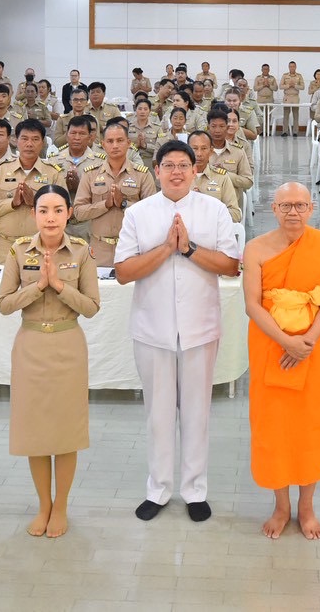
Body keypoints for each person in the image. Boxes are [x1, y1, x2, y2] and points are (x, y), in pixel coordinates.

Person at [115, 139, 241, 523]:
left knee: (197, 412)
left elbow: (231, 265)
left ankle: (194, 490)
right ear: (156, 170)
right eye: (167, 165)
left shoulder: (214, 209)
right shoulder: (139, 213)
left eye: (183, 165)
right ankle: (158, 488)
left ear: (195, 169)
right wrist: (166, 249)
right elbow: (123, 272)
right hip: (152, 329)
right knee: (158, 413)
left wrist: (188, 250)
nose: (175, 172)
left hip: (200, 328)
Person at [243, 182, 320, 541]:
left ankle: (306, 506)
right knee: (273, 427)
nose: (293, 212)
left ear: (311, 209)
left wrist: (306, 341)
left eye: (300, 205)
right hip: (270, 345)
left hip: (313, 349)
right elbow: (253, 304)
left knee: (311, 425)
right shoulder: (255, 249)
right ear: (273, 208)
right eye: (285, 205)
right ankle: (281, 505)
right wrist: (286, 341)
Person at [0, 185, 101, 538]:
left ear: (69, 213)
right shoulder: (18, 250)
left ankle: (62, 505)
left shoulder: (82, 251)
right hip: (30, 346)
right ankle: (43, 504)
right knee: (36, 431)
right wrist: (38, 286)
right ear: (34, 214)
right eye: (43, 210)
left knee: (64, 431)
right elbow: (5, 304)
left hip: (68, 343)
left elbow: (91, 307)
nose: (51, 217)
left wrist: (58, 286)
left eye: (58, 210)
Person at [72, 120, 157, 268]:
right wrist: (105, 204)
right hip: (99, 248)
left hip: (132, 247)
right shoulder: (91, 174)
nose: (115, 145)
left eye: (120, 140)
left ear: (129, 143)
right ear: (103, 144)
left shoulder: (142, 175)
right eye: (110, 141)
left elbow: (152, 215)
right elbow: (79, 212)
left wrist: (124, 204)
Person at [0, 119, 67, 258]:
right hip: (6, 246)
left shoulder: (53, 173)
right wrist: (12, 203)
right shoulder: (0, 170)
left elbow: (65, 212)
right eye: (24, 138)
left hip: (43, 245)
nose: (29, 144)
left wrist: (35, 204)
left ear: (43, 142)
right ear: (16, 141)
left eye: (35, 139)